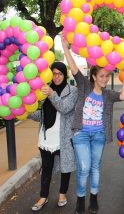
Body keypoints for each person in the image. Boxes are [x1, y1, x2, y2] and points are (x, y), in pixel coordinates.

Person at [61, 35, 124, 214]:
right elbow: (74, 68)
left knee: (95, 168)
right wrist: (65, 47)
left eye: (107, 76)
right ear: (93, 76)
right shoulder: (84, 86)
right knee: (84, 168)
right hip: (81, 134)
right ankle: (80, 200)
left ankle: (94, 199)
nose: (105, 79)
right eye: (102, 76)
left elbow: (123, 96)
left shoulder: (107, 94)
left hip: (99, 135)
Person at [28, 61, 78, 211]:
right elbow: (42, 115)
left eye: (60, 73)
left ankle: (62, 194)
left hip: (63, 137)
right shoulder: (45, 90)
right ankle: (43, 196)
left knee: (65, 167)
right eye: (54, 73)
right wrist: (26, 112)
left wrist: (52, 94)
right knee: (46, 168)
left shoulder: (72, 90)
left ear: (65, 74)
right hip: (46, 136)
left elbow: (65, 108)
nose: (56, 77)